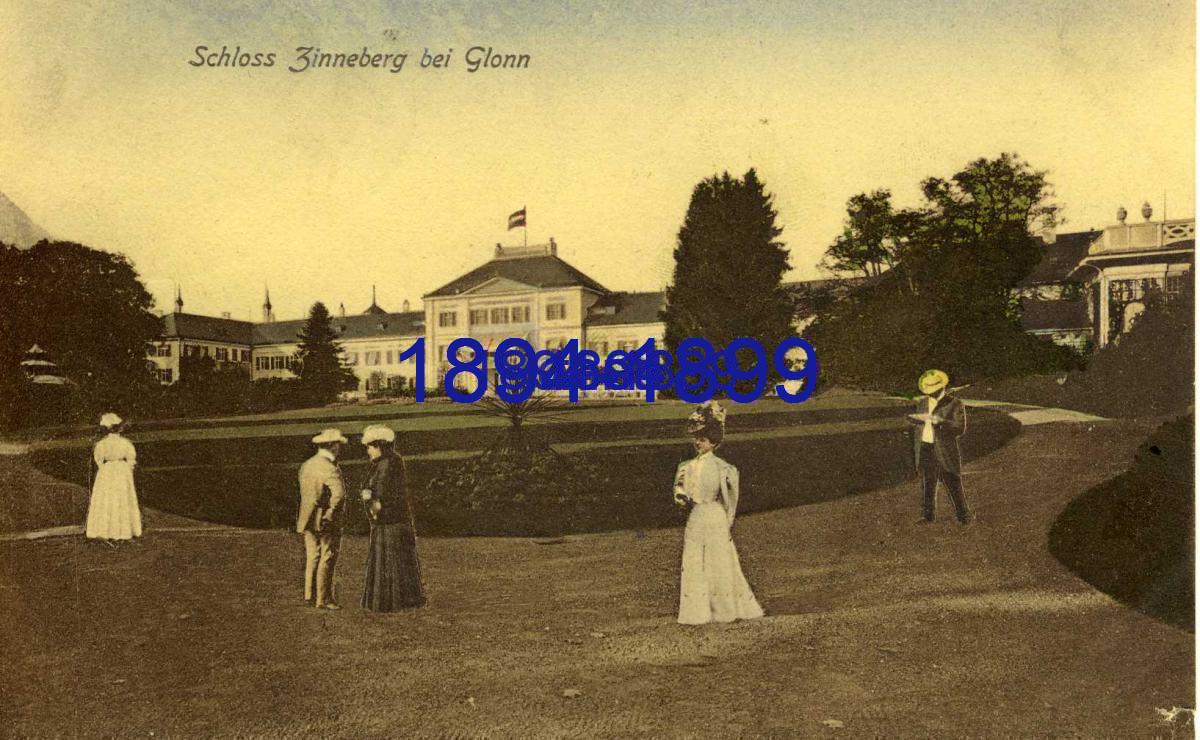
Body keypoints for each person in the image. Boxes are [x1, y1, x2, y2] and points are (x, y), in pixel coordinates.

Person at [672, 400, 764, 625]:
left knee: (719, 560)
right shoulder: (687, 467)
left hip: (715, 515)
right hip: (697, 515)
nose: (698, 443)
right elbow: (681, 493)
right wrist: (682, 497)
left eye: (703, 439)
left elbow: (731, 498)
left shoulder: (723, 468)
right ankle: (697, 611)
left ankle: (724, 609)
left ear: (713, 442)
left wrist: (727, 520)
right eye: (697, 439)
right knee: (694, 559)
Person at [358, 425, 426, 612]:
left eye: (370, 447)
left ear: (379, 446)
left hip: (388, 522)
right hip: (398, 520)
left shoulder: (385, 465)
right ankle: (406, 599)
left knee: (389, 560)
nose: (368, 451)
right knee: (400, 560)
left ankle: (388, 602)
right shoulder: (393, 460)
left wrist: (368, 497)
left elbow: (380, 497)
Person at [908, 369, 972, 525]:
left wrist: (940, 422)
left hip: (944, 450)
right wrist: (916, 419)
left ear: (942, 387)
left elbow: (959, 428)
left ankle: (964, 516)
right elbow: (919, 424)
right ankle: (927, 516)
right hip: (925, 448)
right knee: (928, 483)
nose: (930, 393)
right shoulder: (923, 403)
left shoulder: (954, 403)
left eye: (933, 389)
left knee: (952, 482)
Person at [297, 428, 348, 609]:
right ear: (332, 446)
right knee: (327, 555)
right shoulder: (330, 468)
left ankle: (309, 595)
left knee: (313, 556)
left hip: (307, 516)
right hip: (325, 518)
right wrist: (331, 513)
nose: (339, 448)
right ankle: (324, 598)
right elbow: (339, 495)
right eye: (338, 444)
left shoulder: (307, 465)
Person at [85, 413, 143, 542]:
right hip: (122, 471)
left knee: (106, 497)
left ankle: (105, 529)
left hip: (107, 471)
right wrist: (126, 469)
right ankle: (123, 530)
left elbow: (98, 459)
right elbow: (131, 459)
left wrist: (104, 469)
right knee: (121, 497)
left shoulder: (101, 444)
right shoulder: (125, 443)